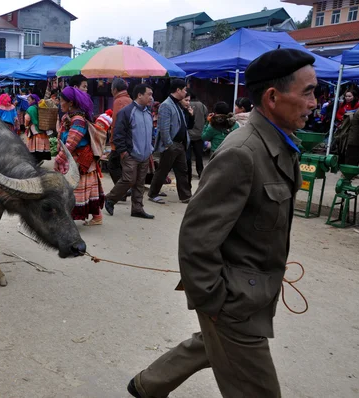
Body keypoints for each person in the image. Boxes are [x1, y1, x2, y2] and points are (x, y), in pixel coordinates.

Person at [128, 48, 315, 398]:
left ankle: (147, 385)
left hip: (252, 293)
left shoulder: (280, 144)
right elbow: (196, 237)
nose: (315, 102)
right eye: (307, 92)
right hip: (235, 303)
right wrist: (216, 304)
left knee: (210, 345)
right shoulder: (242, 153)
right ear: (273, 97)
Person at [55, 86, 104, 225]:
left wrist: (58, 159)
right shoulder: (68, 117)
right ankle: (97, 217)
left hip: (79, 162)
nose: (60, 104)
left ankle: (71, 220)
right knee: (88, 190)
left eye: (61, 101)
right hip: (75, 160)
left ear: (70, 103)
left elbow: (70, 144)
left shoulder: (78, 120)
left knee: (76, 190)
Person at [105, 84, 155, 220]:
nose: (151, 97)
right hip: (131, 154)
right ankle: (110, 198)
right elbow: (118, 134)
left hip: (145, 154)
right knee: (129, 180)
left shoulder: (148, 112)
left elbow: (150, 132)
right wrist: (123, 153)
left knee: (140, 182)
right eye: (149, 94)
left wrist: (150, 148)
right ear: (139, 95)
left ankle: (137, 208)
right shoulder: (127, 112)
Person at [148, 79, 192, 204]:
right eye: (184, 89)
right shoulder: (166, 105)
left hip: (180, 144)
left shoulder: (177, 104)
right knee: (163, 170)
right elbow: (164, 127)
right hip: (172, 144)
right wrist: (168, 144)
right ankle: (153, 193)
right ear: (178, 90)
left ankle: (185, 196)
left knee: (182, 171)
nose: (185, 92)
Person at [108, 78, 133, 185]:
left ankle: (121, 190)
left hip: (120, 140)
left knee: (112, 165)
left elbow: (116, 124)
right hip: (128, 138)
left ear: (115, 89)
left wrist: (113, 141)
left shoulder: (119, 101)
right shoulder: (130, 100)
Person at [25, 93, 51, 163]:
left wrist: (26, 124)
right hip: (42, 129)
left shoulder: (30, 108)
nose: (28, 101)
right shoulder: (39, 107)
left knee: (34, 147)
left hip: (34, 130)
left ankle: (36, 161)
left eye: (29, 100)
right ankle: (40, 160)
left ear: (33, 100)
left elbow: (27, 119)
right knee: (41, 147)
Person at [187, 91, 207, 181]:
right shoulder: (202, 105)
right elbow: (206, 117)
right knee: (199, 156)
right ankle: (200, 173)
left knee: (187, 157)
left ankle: (188, 175)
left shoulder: (186, 104)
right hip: (199, 134)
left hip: (187, 135)